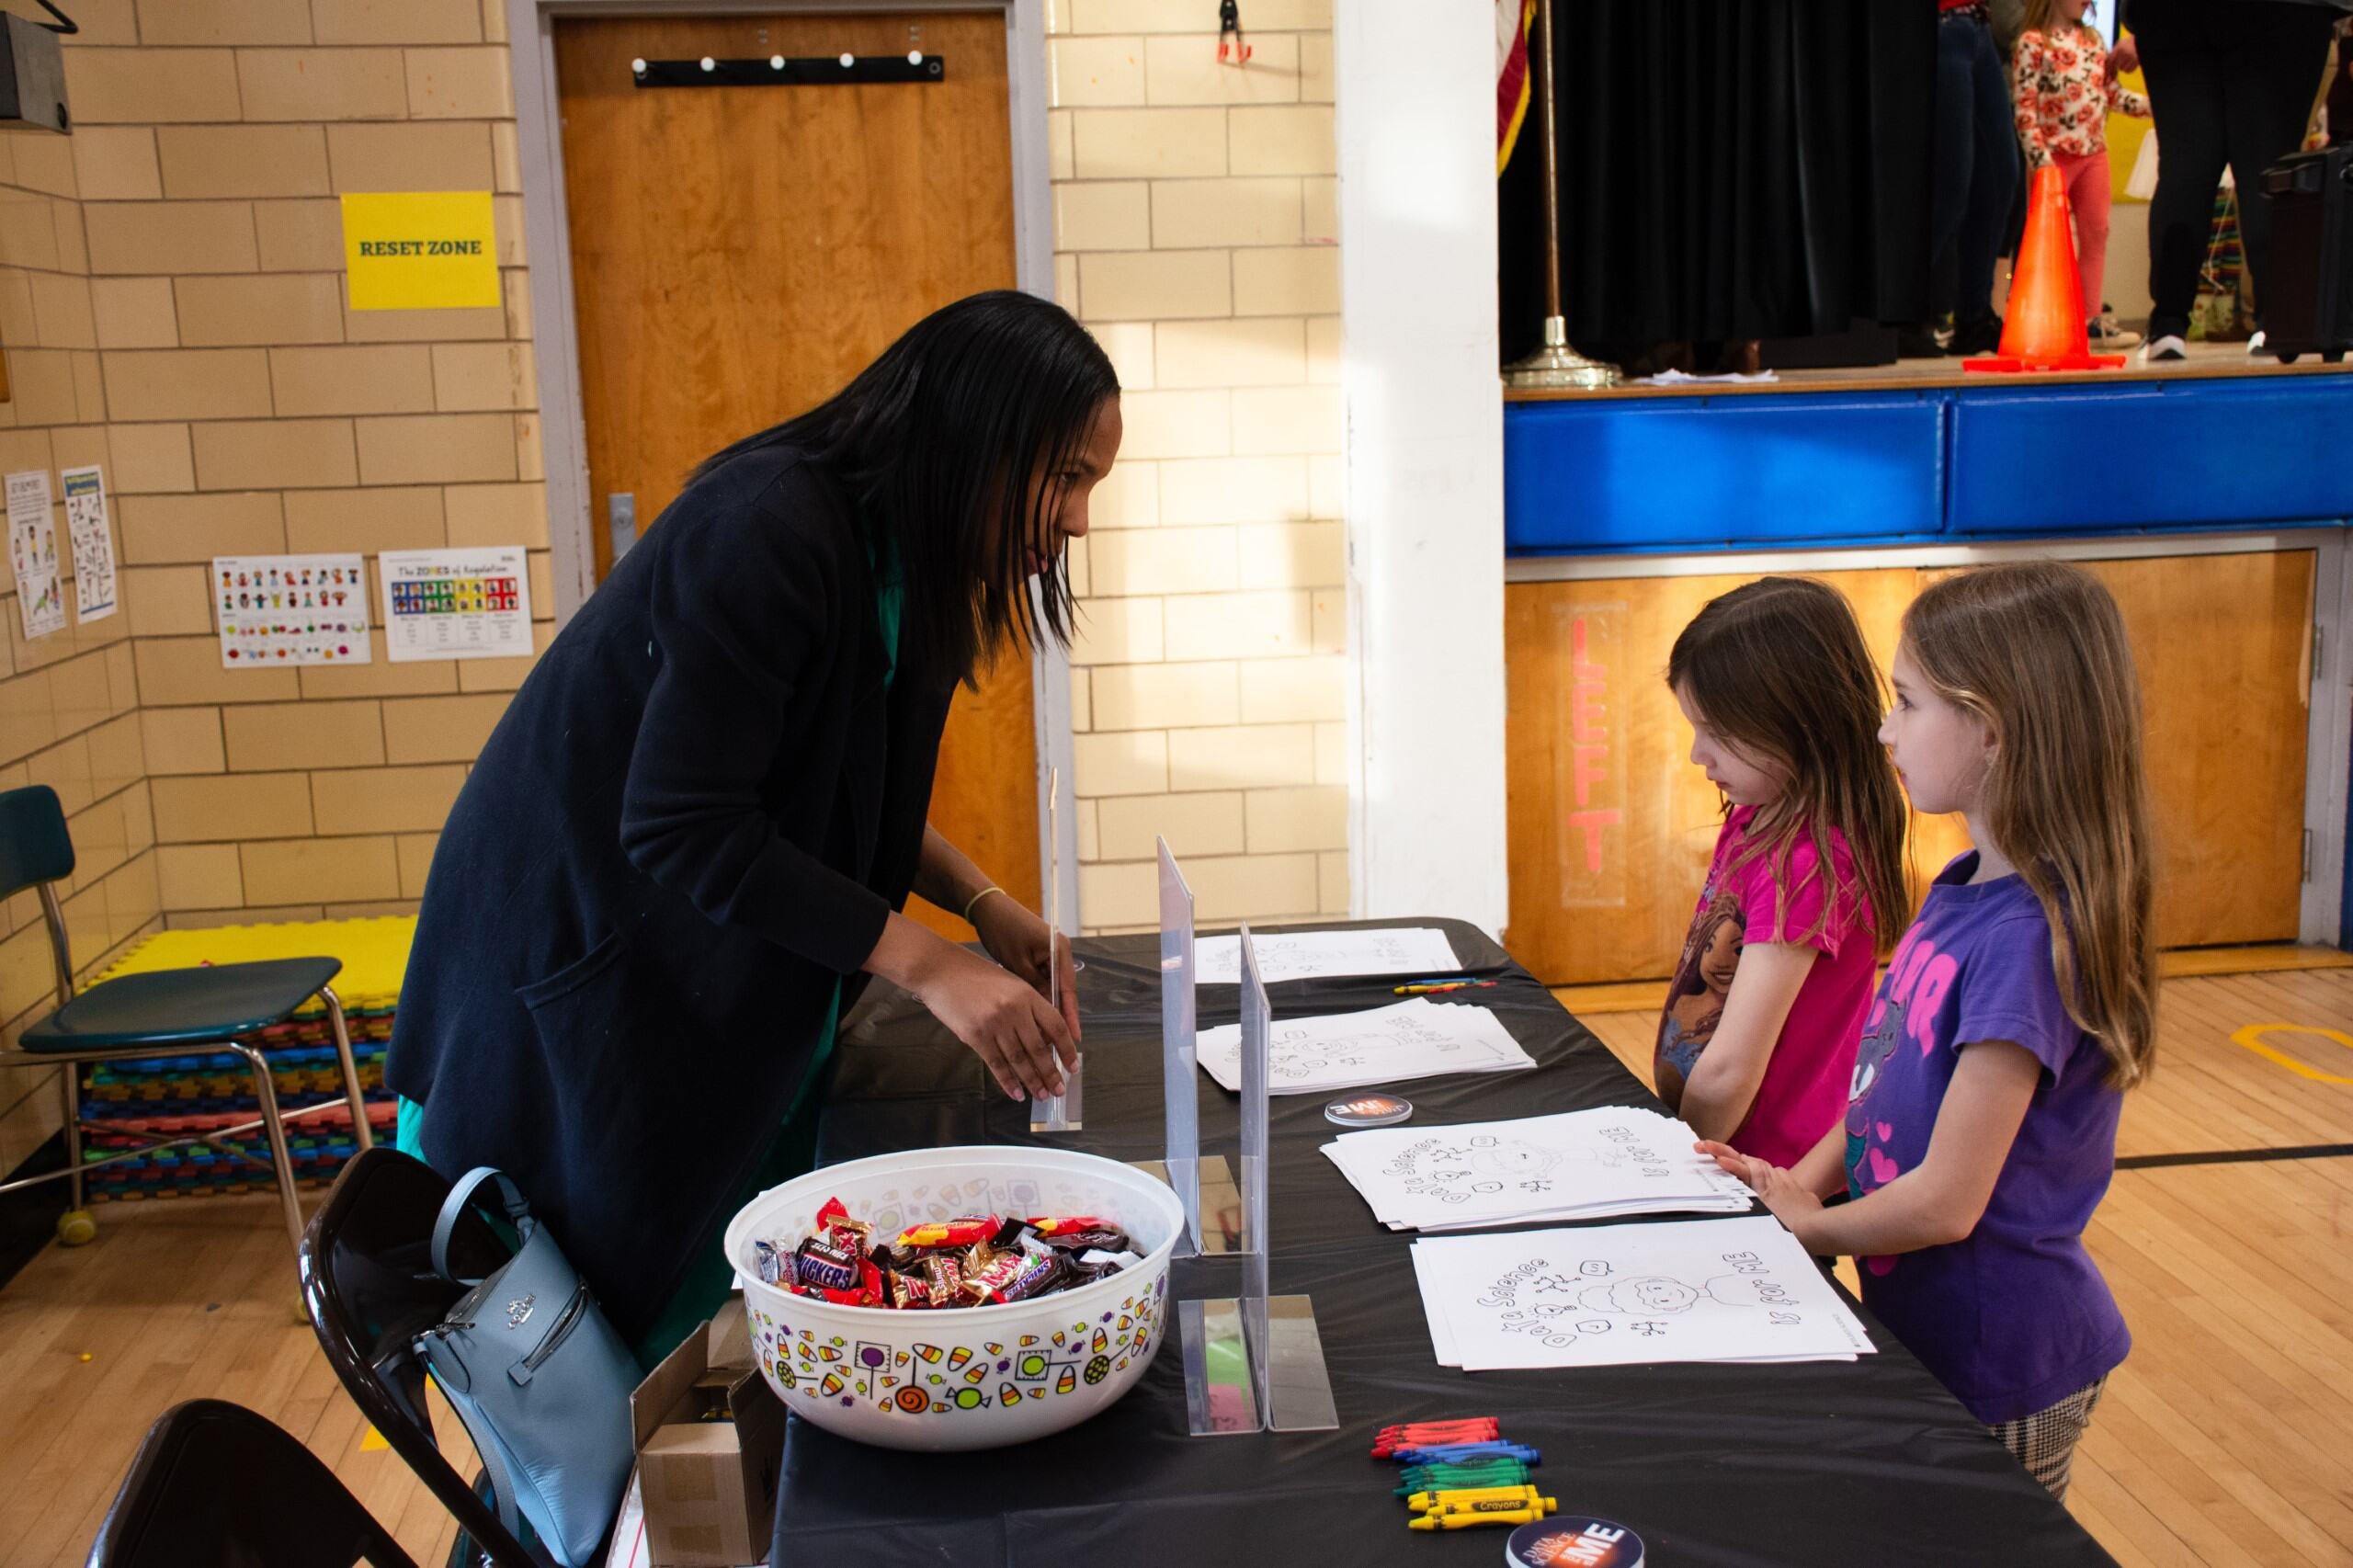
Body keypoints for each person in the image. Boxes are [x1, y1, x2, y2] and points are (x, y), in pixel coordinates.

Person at [386, 290, 1121, 1363]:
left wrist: (979, 903)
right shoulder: (766, 528)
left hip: (705, 988)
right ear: (972, 441)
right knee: (581, 1397)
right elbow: (689, 824)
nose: (1077, 520)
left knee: (702, 1340)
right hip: (577, 1004)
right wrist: (930, 965)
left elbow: (832, 788)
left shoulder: (914, 567)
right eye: (1065, 477)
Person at [1703, 561, 2158, 1501]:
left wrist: (1812, 1229)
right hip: (1926, 1321)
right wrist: (1801, 1179)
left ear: (1990, 726)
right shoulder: (1958, 892)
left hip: (2004, 1354)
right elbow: (1882, 1082)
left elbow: (1949, 1201)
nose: (1882, 729)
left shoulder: (2029, 941)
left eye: (1905, 704)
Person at [1652, 578, 1910, 1167]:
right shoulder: (1757, 817)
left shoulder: (1807, 863)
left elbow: (1732, 1067)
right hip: (1724, 1150)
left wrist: (1669, 1162)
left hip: (1761, 1169)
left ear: (1798, 724)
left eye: (1717, 733)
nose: (1698, 754)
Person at [2119, 0, 2348, 360]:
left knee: (2184, 168)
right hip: (2284, 13)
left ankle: (2168, 324)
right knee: (2268, 167)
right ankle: (2275, 323)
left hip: (2168, 16)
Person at [2012, 0, 2151, 347]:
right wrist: (2040, 160)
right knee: (2048, 239)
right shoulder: (2033, 42)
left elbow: (2109, 94)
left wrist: (2154, 105)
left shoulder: (2093, 41)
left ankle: (2090, 318)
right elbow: (2025, 106)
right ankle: (2042, 317)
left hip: (2093, 155)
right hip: (2053, 158)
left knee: (2096, 233)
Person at [1904, 1, 2025, 358]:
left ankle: (1974, 315)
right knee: (1949, 184)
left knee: (2001, 175)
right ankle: (1899, 314)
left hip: (1977, 26)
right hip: (1941, 25)